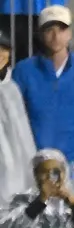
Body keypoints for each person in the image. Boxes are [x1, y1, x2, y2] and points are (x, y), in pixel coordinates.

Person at [12, 6, 74, 196]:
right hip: (33, 173)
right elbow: (14, 123)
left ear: (70, 33)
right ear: (40, 34)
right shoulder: (24, 71)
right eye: (49, 29)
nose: (56, 36)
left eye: (62, 29)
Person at [0, 29, 36, 203]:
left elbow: (23, 137)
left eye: (4, 49)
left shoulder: (12, 88)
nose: (0, 54)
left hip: (15, 178)